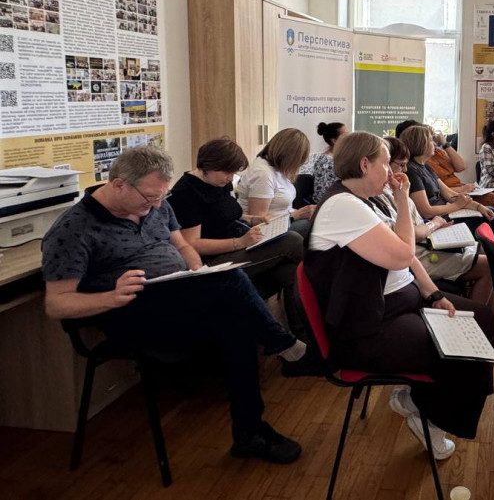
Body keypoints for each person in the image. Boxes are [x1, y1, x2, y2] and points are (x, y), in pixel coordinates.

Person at [41, 146, 320, 464]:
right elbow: (57, 304)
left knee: (237, 323)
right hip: (130, 312)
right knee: (231, 283)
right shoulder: (72, 230)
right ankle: (288, 347)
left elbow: (182, 245)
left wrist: (196, 270)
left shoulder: (156, 204)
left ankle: (249, 434)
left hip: (178, 296)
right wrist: (111, 297)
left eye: (161, 197)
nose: (156, 205)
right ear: (118, 184)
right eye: (149, 198)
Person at [306, 132, 494, 459]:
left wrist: (434, 294)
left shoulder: (363, 199)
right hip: (367, 326)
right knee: (464, 350)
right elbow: (403, 253)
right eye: (385, 164)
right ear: (365, 165)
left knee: (483, 318)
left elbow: (405, 259)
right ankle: (431, 418)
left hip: (399, 304)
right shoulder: (342, 205)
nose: (392, 172)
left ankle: (419, 399)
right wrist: (403, 200)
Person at [383, 136, 494, 350]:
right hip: (422, 249)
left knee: (485, 242)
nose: (435, 144)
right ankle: (481, 328)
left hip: (429, 236)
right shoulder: (402, 184)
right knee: (489, 264)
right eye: (399, 165)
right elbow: (418, 225)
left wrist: (471, 206)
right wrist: (437, 223)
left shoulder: (419, 173)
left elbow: (446, 197)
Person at [170, 137, 308, 339]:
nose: (230, 178)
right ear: (208, 166)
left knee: (291, 272)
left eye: (233, 173)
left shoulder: (218, 182)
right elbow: (191, 244)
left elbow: (226, 213)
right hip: (213, 261)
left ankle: (302, 339)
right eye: (227, 172)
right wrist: (239, 243)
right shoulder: (186, 194)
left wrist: (252, 219)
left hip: (237, 242)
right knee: (293, 240)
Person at [400, 124, 494, 258]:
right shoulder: (412, 171)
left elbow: (450, 194)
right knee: (490, 217)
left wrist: (478, 206)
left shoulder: (425, 166)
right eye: (431, 141)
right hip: (438, 219)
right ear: (421, 144)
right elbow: (426, 211)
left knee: (490, 211)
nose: (434, 144)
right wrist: (457, 206)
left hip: (447, 212)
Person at [236, 128, 316, 236]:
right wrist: (296, 215)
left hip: (283, 221)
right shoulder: (263, 174)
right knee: (312, 225)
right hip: (266, 230)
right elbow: (258, 221)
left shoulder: (276, 169)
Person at [299, 121, 348, 203]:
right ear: (334, 141)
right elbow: (322, 194)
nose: (350, 137)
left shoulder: (339, 159)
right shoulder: (326, 162)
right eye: (346, 135)